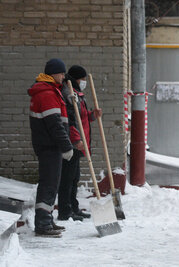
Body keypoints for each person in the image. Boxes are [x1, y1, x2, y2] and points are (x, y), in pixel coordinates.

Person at [28, 58, 74, 237]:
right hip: (50, 146)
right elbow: (55, 124)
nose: (63, 77)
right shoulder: (47, 94)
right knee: (48, 185)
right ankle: (43, 224)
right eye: (61, 73)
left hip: (49, 145)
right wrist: (66, 146)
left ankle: (46, 219)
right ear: (53, 74)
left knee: (50, 184)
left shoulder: (50, 90)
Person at [57, 65, 102, 221]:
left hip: (80, 141)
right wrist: (76, 140)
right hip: (72, 142)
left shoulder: (77, 94)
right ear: (76, 79)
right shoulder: (68, 93)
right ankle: (65, 210)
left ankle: (73, 207)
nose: (84, 82)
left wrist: (92, 116)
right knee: (67, 178)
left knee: (74, 177)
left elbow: (80, 117)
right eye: (83, 79)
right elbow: (69, 120)